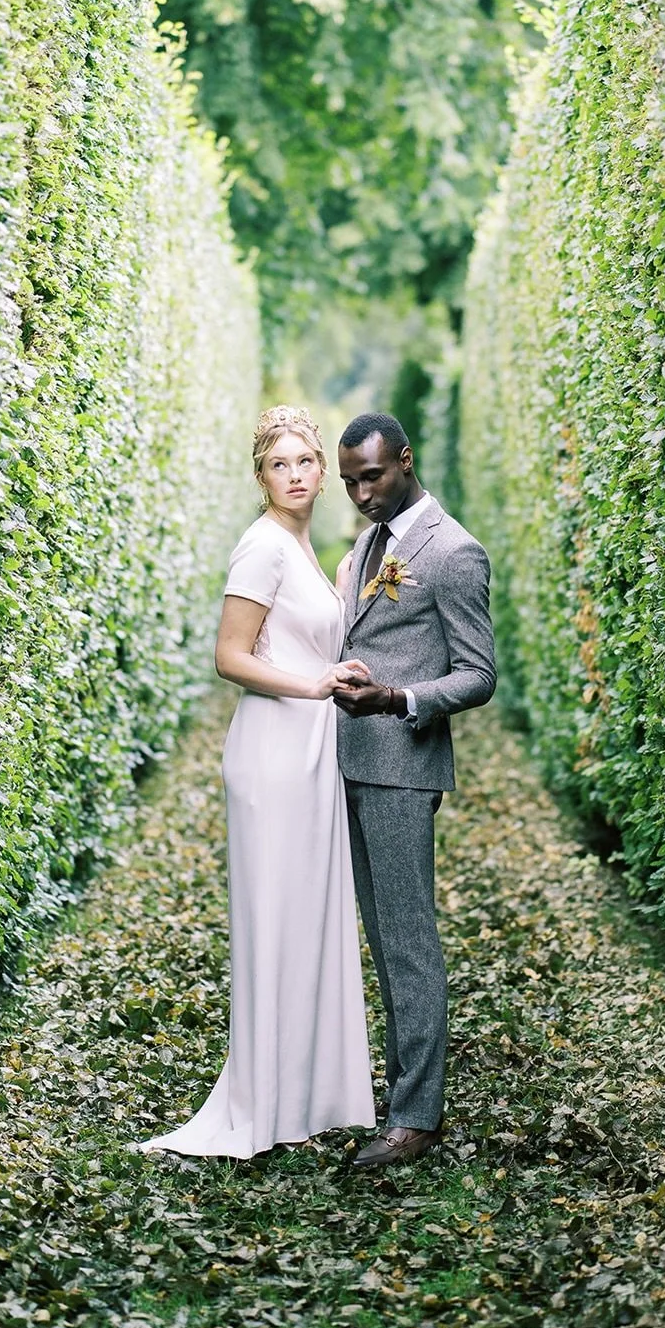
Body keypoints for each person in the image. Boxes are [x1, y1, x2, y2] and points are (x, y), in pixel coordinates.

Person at [138, 406, 376, 1157]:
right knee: (275, 922)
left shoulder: (302, 548)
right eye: (279, 464)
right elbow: (230, 656)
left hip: (309, 751)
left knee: (306, 921)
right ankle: (263, 1103)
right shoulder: (261, 546)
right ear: (261, 477)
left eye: (305, 460)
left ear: (322, 471)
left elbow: (305, 638)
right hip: (273, 755)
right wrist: (313, 686)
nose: (295, 474)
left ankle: (302, 1095)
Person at [333, 412, 496, 1168]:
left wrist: (398, 698)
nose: (362, 494)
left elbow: (478, 675)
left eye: (372, 477)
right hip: (350, 761)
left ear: (405, 459)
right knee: (379, 938)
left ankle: (416, 1118)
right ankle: (400, 1093)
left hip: (402, 768)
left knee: (407, 942)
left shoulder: (454, 552)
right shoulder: (372, 541)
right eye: (350, 483)